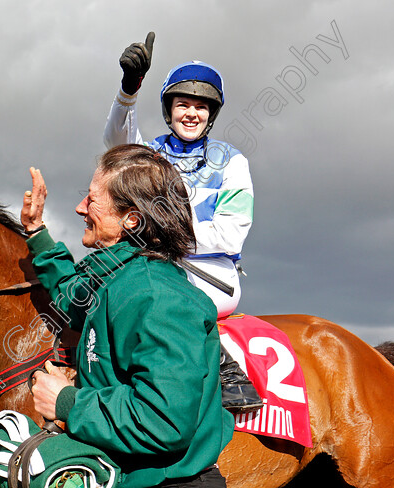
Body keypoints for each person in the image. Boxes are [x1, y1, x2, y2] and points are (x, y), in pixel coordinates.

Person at [23, 145, 235, 488]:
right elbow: (69, 294)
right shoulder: (115, 278)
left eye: (91, 200)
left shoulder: (158, 296)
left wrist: (67, 401)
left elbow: (162, 420)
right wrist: (37, 232)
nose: (80, 208)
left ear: (131, 219)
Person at [103, 33, 261, 411]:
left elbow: (231, 231)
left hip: (210, 275)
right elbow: (116, 142)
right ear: (169, 110)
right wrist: (128, 89)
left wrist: (164, 239)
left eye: (201, 107)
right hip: (152, 268)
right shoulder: (151, 153)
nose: (191, 113)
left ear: (212, 114)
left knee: (158, 289)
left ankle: (225, 369)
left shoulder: (233, 161)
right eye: (182, 104)